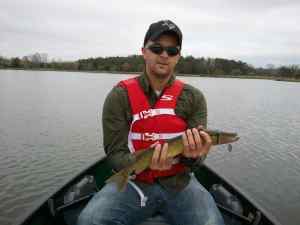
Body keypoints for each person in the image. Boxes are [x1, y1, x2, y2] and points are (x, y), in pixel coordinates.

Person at [78, 19, 224, 225]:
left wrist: (193, 158)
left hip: (180, 184)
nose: (164, 55)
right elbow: (114, 155)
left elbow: (196, 162)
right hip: (133, 182)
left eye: (172, 50)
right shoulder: (119, 96)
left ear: (178, 57)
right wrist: (143, 162)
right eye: (157, 48)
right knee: (90, 221)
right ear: (144, 51)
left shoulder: (194, 97)